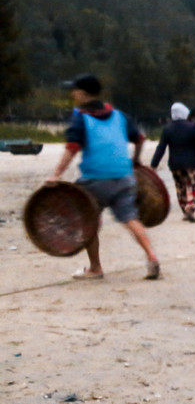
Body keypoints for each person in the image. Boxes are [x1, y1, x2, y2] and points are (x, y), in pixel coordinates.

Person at [45, 73, 161, 280]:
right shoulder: (119, 115)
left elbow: (72, 148)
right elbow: (140, 138)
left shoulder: (80, 116)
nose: (73, 94)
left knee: (87, 220)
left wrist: (56, 175)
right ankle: (151, 257)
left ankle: (95, 268)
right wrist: (135, 160)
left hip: (94, 180)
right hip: (124, 177)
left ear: (83, 93)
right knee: (130, 218)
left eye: (75, 90)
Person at [150, 102, 195, 223]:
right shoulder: (193, 127)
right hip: (192, 163)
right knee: (192, 185)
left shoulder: (167, 128)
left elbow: (161, 148)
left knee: (180, 187)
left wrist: (154, 164)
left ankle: (184, 208)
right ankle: (190, 206)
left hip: (174, 164)